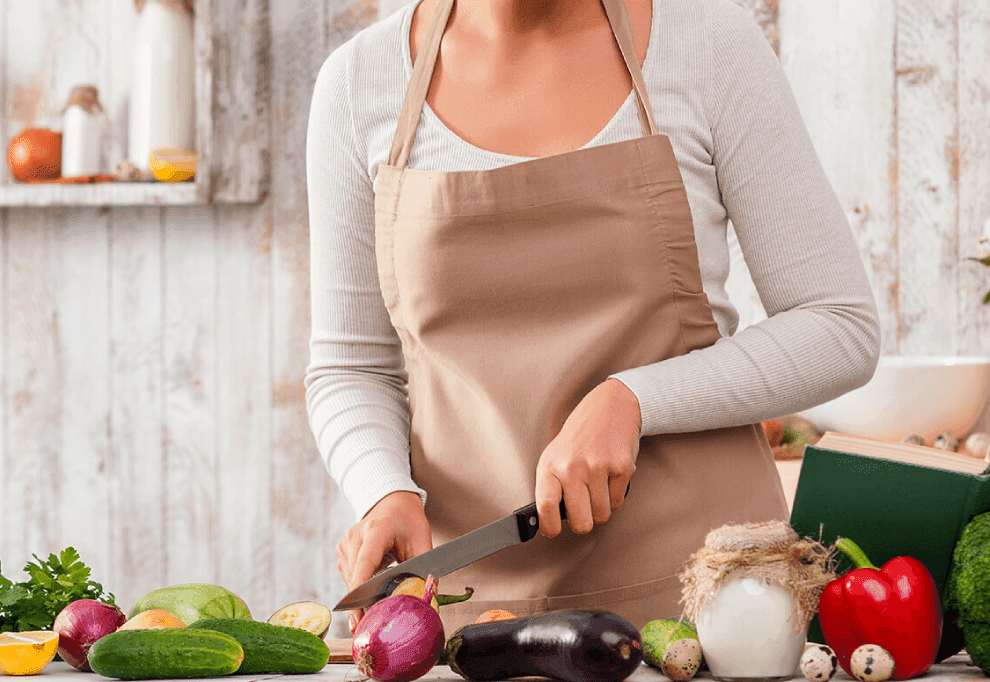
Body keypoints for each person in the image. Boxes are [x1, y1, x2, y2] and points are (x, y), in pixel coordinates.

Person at [304, 0, 881, 635]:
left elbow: (837, 325)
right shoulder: (361, 81)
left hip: (709, 601)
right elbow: (349, 368)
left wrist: (633, 399)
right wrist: (383, 488)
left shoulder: (708, 46)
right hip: (468, 613)